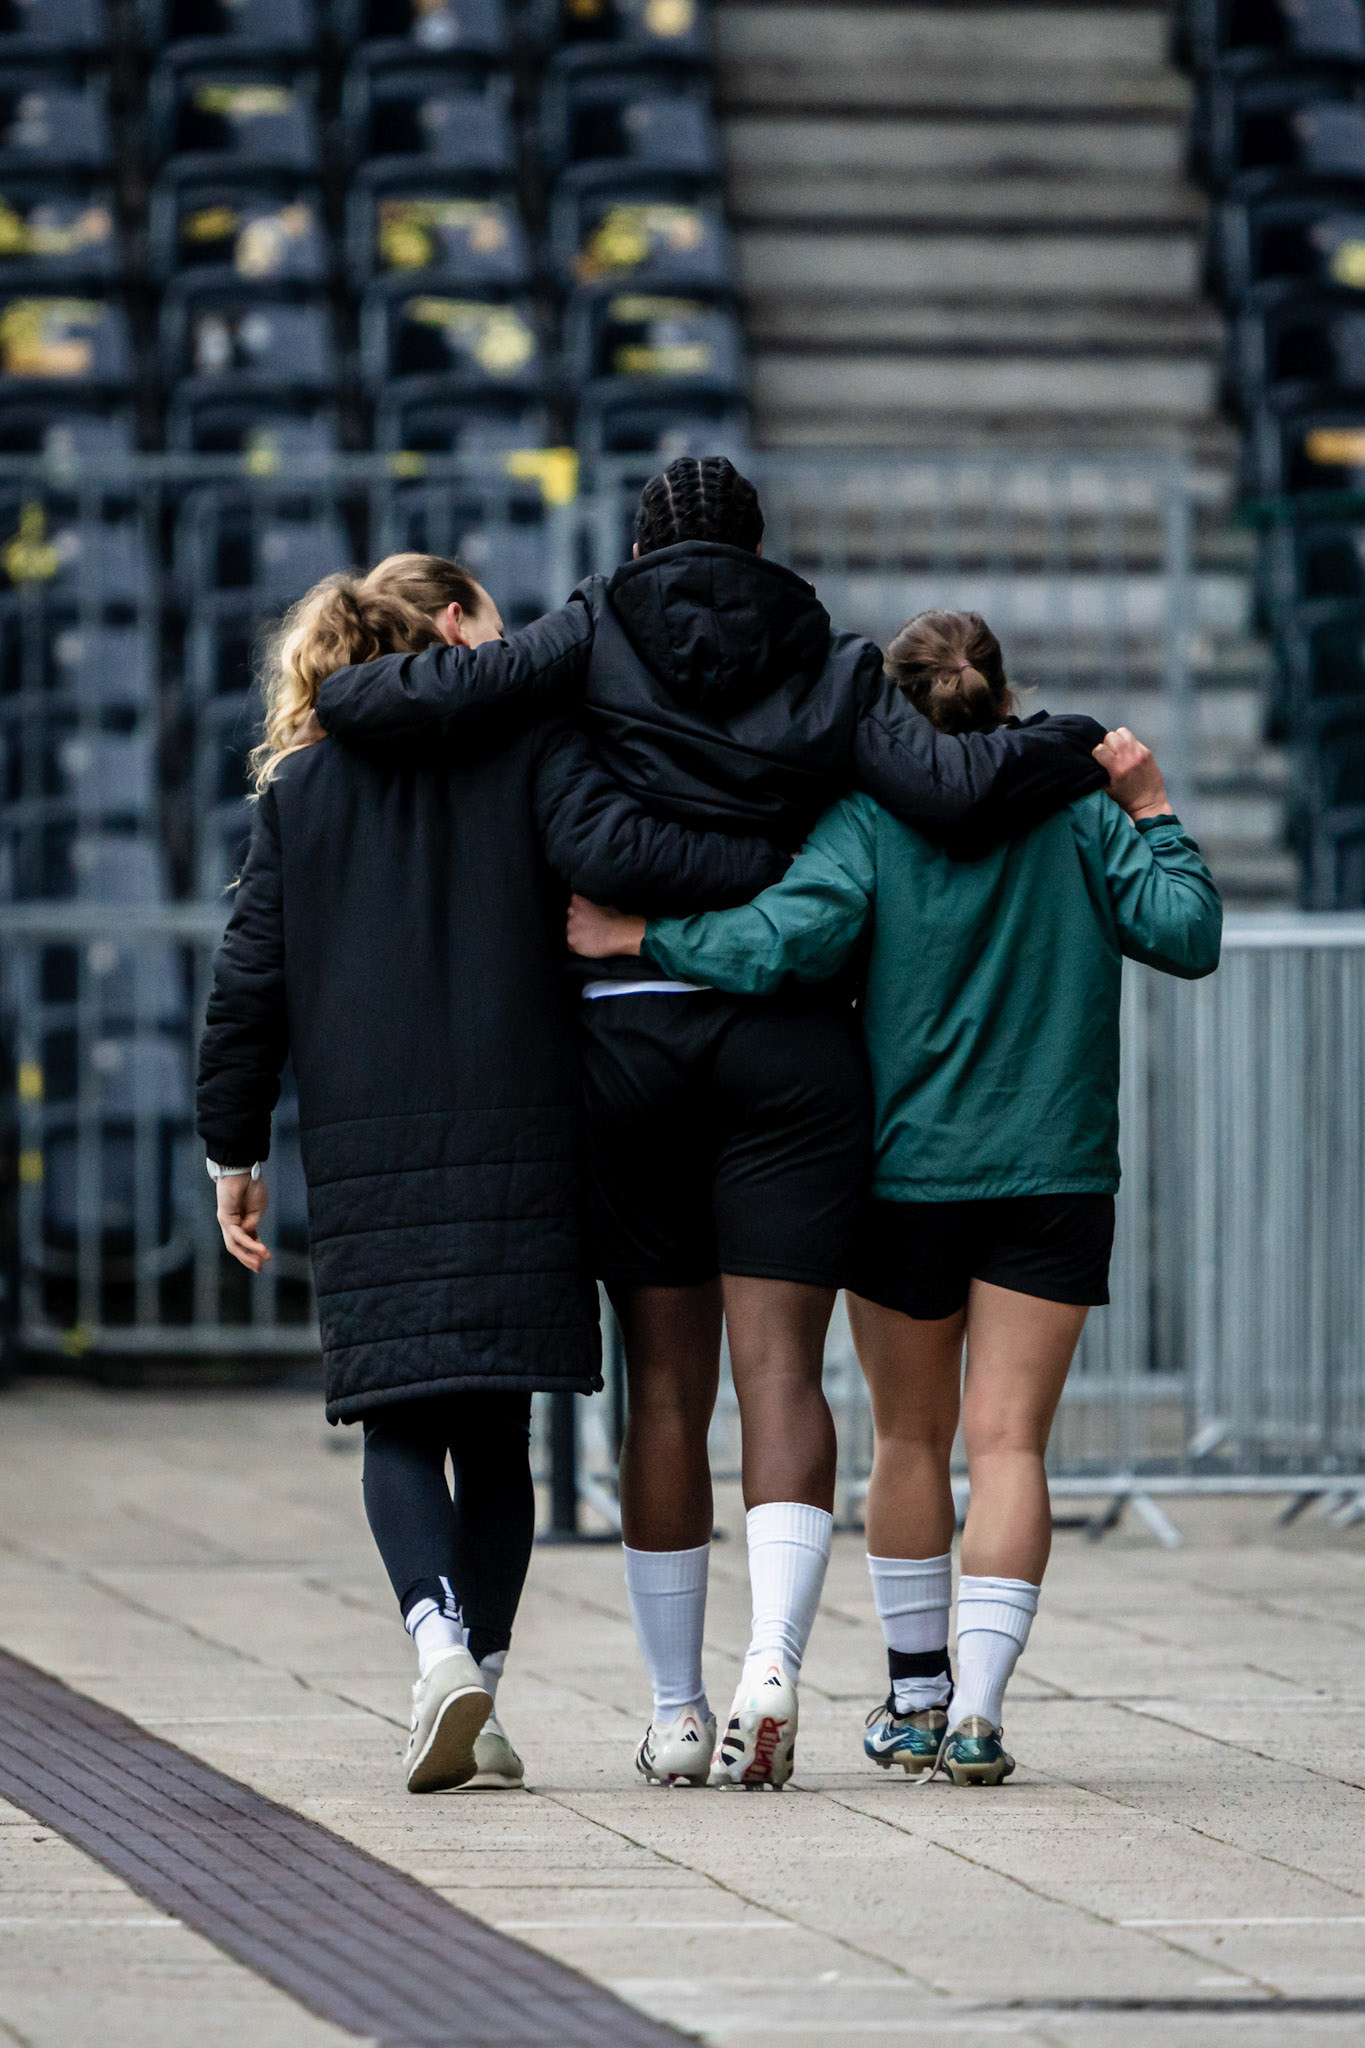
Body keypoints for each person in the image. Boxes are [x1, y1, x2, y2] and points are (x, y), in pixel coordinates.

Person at [313, 461, 1112, 1792]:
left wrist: (650, 905)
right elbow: (947, 793)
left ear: (639, 546)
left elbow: (429, 738)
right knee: (783, 1380)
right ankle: (774, 1670)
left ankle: (678, 1711)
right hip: (792, 1044)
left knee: (667, 1390)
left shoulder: (584, 639)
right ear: (755, 547)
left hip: (627, 1046)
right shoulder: (840, 664)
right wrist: (1076, 738)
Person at [566, 608, 1222, 1787]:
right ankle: (978, 1711)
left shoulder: (868, 820)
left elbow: (782, 942)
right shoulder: (1077, 814)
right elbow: (1186, 932)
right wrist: (1155, 808)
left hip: (906, 1173)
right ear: (1004, 698)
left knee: (910, 1438)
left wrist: (639, 932)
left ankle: (912, 1697)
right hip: (1057, 1169)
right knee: (1010, 1440)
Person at [196, 552, 787, 1797]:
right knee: (498, 1430)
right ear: (454, 642)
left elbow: (248, 983)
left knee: (398, 1417)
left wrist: (231, 1148)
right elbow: (616, 856)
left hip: (370, 1150)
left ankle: (437, 1649)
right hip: (526, 1132)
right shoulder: (527, 756)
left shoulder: (302, 792)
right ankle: (488, 1693)